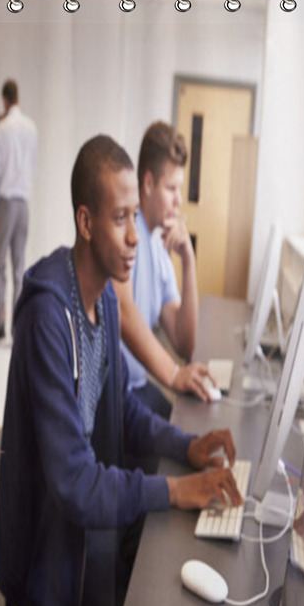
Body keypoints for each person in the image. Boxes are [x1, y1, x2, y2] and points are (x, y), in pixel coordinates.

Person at [0, 135, 241, 606]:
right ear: (85, 222)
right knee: (151, 579)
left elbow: (120, 405)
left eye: (136, 217)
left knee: (153, 548)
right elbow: (77, 486)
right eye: (120, 218)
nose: (135, 237)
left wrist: (186, 446)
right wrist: (179, 490)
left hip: (77, 514)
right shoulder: (47, 317)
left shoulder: (103, 296)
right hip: (46, 533)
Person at [112, 121, 216, 419]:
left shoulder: (159, 250)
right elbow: (123, 309)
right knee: (180, 438)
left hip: (139, 388)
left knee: (189, 425)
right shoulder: (124, 234)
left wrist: (188, 260)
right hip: (117, 396)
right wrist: (173, 374)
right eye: (171, 188)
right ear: (147, 184)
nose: (179, 200)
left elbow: (185, 342)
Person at [0, 78, 38, 345]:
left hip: (6, 202)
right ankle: (17, 325)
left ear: (4, 99)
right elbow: (33, 165)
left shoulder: (2, 128)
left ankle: (0, 324)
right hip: (23, 203)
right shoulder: (31, 128)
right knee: (19, 268)